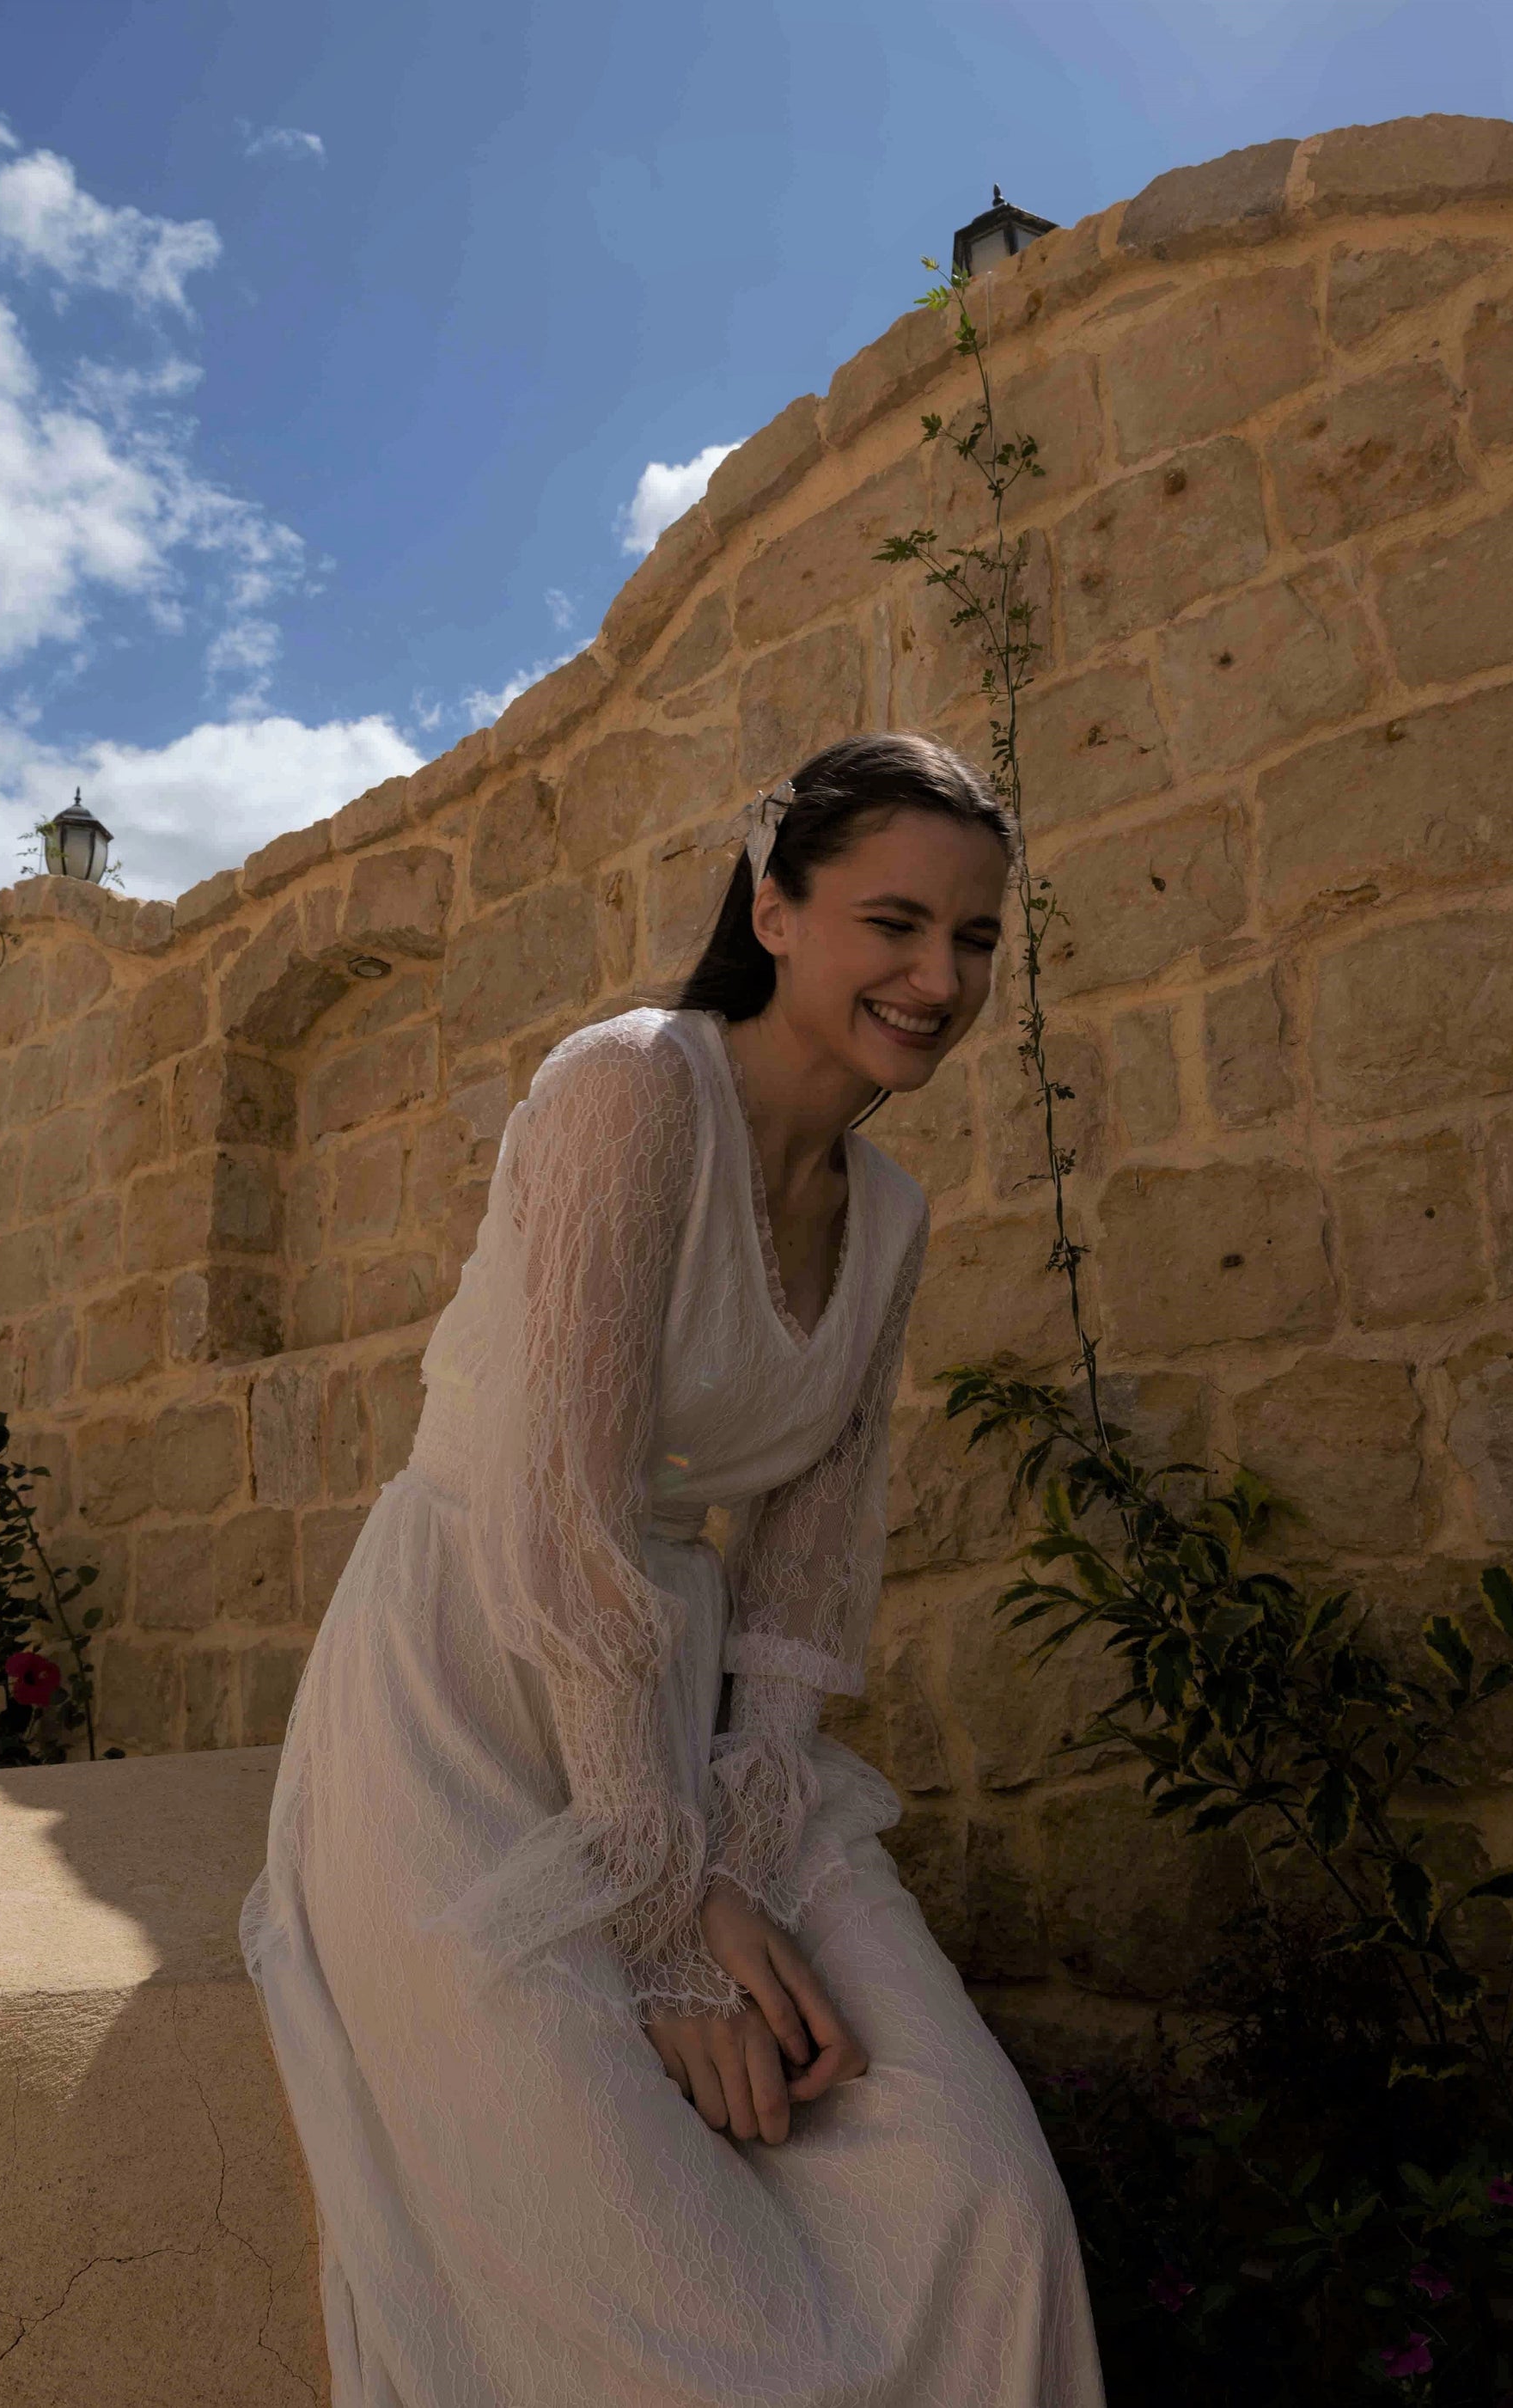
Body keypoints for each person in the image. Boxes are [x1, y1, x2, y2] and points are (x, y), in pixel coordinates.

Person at [241, 731, 1105, 2406]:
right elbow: (559, 1518)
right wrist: (664, 1912)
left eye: (975, 937)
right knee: (657, 2288)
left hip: (699, 1724)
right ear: (773, 911)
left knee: (983, 2195)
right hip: (467, 1684)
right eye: (893, 923)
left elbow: (806, 1567)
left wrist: (746, 1844)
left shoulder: (891, 1215)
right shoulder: (630, 1087)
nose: (939, 978)